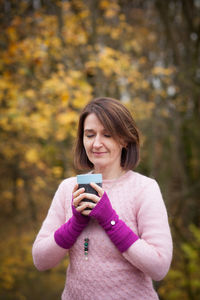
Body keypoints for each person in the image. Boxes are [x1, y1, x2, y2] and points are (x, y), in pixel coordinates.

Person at [32, 97, 173, 300]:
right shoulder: (68, 189)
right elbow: (40, 260)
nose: (96, 143)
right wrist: (74, 225)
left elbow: (159, 267)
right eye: (90, 135)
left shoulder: (145, 189)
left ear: (125, 139)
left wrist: (110, 220)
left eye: (107, 135)